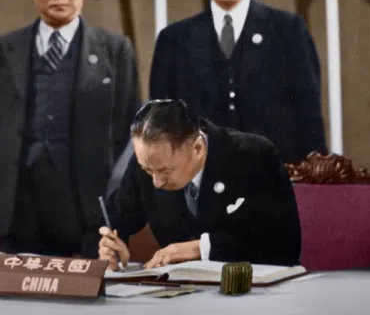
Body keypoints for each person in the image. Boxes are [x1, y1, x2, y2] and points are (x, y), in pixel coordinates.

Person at [0, 0, 140, 258]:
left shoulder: (114, 50)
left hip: (88, 202)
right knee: (19, 297)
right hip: (20, 199)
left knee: (87, 297)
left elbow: (127, 123)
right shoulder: (4, 50)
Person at [148, 0, 326, 164]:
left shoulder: (287, 31)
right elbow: (163, 125)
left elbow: (309, 113)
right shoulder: (174, 40)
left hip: (275, 176)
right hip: (202, 179)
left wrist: (315, 177)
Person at [98, 100, 301, 270]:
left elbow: (282, 246)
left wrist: (199, 248)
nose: (156, 182)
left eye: (165, 172)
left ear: (197, 148)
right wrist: (111, 246)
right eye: (148, 171)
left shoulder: (253, 156)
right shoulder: (150, 162)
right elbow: (117, 217)